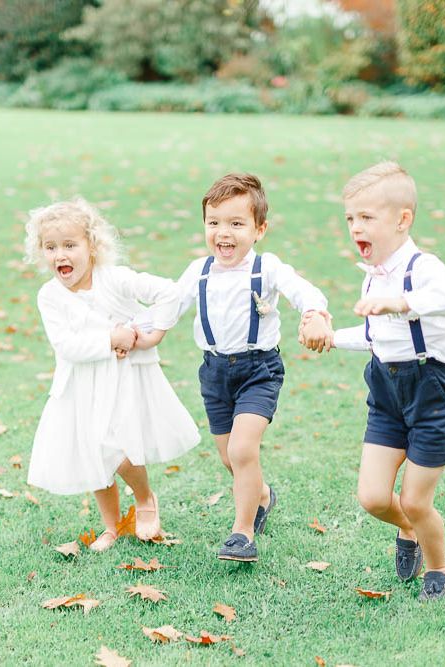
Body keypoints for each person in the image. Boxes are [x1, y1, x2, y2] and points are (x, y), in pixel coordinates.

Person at [300, 161, 445, 600]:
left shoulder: (421, 268)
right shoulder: (373, 279)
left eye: (366, 217)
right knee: (374, 497)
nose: (356, 226)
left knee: (416, 497)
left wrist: (400, 302)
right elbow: (378, 337)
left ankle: (440, 568)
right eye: (350, 218)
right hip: (386, 391)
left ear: (402, 220)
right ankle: (409, 530)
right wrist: (331, 337)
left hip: (431, 391)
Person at [24, 197, 200, 552]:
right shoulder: (50, 296)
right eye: (51, 247)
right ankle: (111, 525)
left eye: (70, 245)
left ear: (92, 247)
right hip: (81, 385)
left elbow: (170, 293)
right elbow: (67, 345)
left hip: (123, 380)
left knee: (115, 447)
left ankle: (145, 497)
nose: (61, 255)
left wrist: (153, 333)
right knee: (93, 452)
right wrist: (111, 338)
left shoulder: (114, 279)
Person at [177, 173, 332, 562]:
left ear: (259, 229)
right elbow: (166, 307)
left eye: (236, 223)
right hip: (214, 373)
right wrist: (136, 332)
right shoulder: (198, 271)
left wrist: (314, 313)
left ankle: (242, 532)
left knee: (244, 449)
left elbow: (304, 291)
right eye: (214, 223)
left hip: (258, 370)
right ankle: (262, 495)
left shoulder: (268, 268)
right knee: (230, 456)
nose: (223, 233)